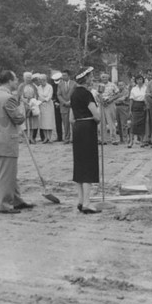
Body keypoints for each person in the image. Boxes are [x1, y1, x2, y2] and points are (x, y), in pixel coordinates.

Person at [0, 70, 34, 214]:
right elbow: (18, 118)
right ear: (9, 81)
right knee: (6, 175)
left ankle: (16, 200)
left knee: (10, 173)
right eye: (15, 80)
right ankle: (4, 204)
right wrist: (25, 108)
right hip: (7, 140)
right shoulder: (8, 98)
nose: (16, 82)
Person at [70, 67, 101, 214]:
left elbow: (71, 118)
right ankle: (87, 203)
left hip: (77, 128)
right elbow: (97, 116)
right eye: (91, 76)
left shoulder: (74, 93)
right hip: (88, 129)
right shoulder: (87, 94)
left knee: (80, 163)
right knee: (88, 164)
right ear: (86, 78)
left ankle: (80, 200)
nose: (92, 78)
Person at [17, 72, 39, 144]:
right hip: (24, 104)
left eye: (30, 77)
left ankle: (32, 137)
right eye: (27, 77)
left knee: (33, 122)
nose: (28, 79)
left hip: (32, 104)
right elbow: (19, 96)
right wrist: (25, 102)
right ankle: (26, 138)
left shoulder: (33, 86)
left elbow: (36, 95)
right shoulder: (21, 86)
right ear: (24, 78)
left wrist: (33, 102)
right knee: (25, 123)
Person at [99, 73, 120, 145]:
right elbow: (97, 95)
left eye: (105, 77)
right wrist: (101, 101)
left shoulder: (112, 85)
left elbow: (118, 94)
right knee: (102, 122)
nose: (104, 78)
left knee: (111, 121)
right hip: (101, 104)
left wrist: (110, 100)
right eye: (102, 77)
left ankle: (113, 139)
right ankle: (103, 139)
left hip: (110, 104)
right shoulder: (99, 85)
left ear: (108, 78)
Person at [57, 70, 76, 144]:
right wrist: (64, 102)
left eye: (65, 75)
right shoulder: (60, 84)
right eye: (62, 75)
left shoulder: (74, 84)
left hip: (73, 105)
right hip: (64, 106)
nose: (63, 77)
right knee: (65, 123)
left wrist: (71, 102)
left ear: (69, 76)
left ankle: (75, 138)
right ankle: (67, 138)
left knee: (73, 122)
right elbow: (59, 94)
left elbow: (76, 93)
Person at [129, 74, 147, 146]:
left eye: (141, 79)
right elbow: (131, 100)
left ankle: (142, 141)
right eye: (138, 79)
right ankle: (131, 141)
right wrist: (130, 110)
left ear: (143, 80)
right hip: (135, 106)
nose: (139, 81)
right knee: (133, 124)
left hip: (143, 106)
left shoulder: (146, 88)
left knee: (142, 124)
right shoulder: (133, 89)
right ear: (136, 81)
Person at [38, 74, 55, 143]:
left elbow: (50, 96)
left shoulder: (49, 87)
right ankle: (45, 138)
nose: (41, 81)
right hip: (41, 105)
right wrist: (41, 100)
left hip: (48, 105)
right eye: (40, 80)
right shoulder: (38, 87)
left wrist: (45, 99)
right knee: (43, 122)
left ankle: (50, 137)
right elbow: (38, 95)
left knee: (49, 121)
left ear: (45, 80)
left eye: (43, 80)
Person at [51, 71, 63, 141]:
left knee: (66, 122)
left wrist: (61, 102)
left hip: (64, 104)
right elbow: (53, 96)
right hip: (56, 105)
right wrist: (55, 102)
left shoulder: (63, 84)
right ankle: (59, 137)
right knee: (58, 122)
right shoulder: (53, 86)